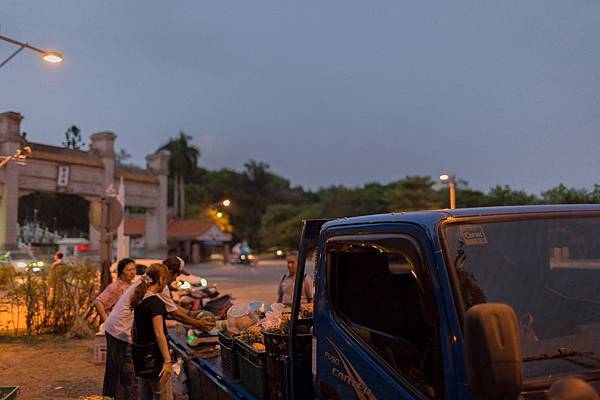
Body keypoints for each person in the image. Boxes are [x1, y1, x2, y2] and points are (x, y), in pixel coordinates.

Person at [102, 256, 215, 399]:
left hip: (119, 333)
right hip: (126, 337)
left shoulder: (144, 286)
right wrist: (168, 361)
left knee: (125, 380)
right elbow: (162, 329)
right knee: (134, 384)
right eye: (177, 275)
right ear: (167, 275)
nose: (175, 279)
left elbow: (173, 309)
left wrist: (192, 314)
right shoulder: (157, 298)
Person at [130, 263, 173, 400]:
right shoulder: (155, 303)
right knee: (162, 395)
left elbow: (133, 330)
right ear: (161, 280)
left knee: (144, 395)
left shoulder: (140, 299)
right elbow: (159, 333)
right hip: (155, 360)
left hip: (141, 357)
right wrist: (167, 361)